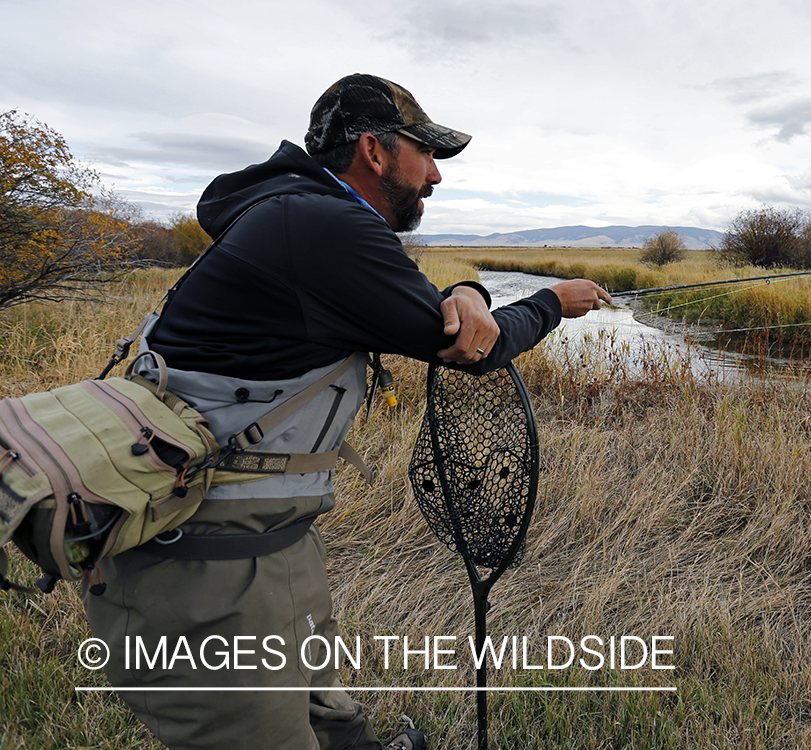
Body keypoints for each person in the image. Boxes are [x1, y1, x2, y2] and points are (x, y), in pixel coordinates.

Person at [82, 74, 611, 750]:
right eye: (427, 153)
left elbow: (437, 308)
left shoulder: (295, 213)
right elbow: (471, 346)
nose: (437, 177)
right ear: (374, 151)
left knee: (321, 708)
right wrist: (552, 302)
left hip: (257, 535)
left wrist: (468, 288)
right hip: (206, 553)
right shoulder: (322, 226)